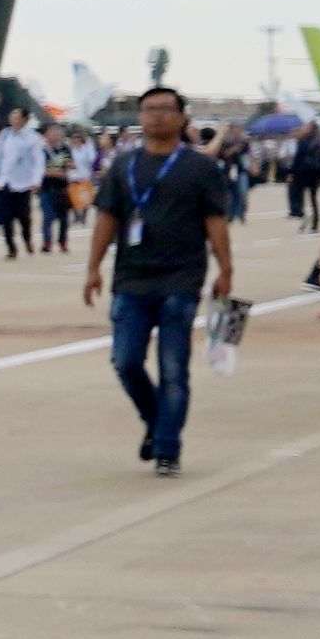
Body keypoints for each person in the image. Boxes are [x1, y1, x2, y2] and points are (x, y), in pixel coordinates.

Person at [81, 83, 239, 471]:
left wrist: (226, 269)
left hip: (180, 279)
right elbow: (107, 218)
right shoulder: (123, 166)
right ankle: (156, 422)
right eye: (149, 109)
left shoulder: (201, 168)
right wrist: (92, 267)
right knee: (125, 361)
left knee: (173, 367)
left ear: (182, 117)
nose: (156, 116)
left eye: (165, 109)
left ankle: (167, 447)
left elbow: (214, 221)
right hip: (131, 279)